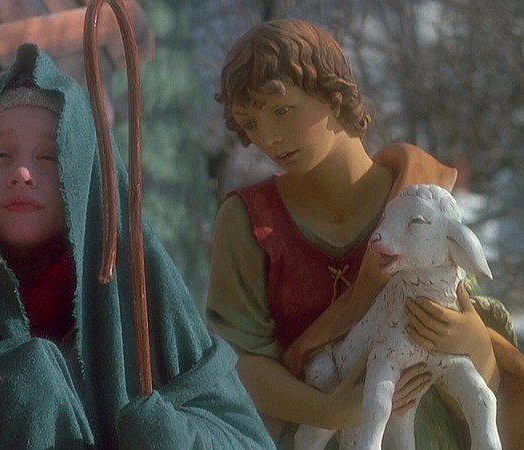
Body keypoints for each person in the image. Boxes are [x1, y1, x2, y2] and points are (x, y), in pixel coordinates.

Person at [0, 43, 275, 449]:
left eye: (48, 156)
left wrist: (173, 436)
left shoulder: (144, 288)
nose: (21, 172)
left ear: (84, 174)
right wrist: (6, 397)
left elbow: (247, 439)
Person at [206, 18, 524, 449]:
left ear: (333, 94)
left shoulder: (423, 197)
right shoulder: (248, 221)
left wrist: (475, 344)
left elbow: (483, 375)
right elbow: (239, 360)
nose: (269, 138)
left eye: (281, 110)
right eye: (250, 123)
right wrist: (331, 411)